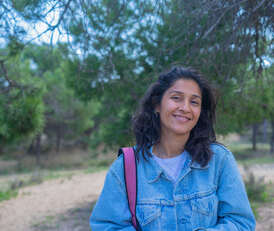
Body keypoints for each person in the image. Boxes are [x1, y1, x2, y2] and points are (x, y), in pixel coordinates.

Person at [90, 66, 256, 230]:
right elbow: (107, 226)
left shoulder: (219, 160)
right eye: (176, 98)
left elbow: (241, 222)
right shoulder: (125, 167)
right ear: (157, 104)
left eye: (194, 102)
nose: (185, 108)